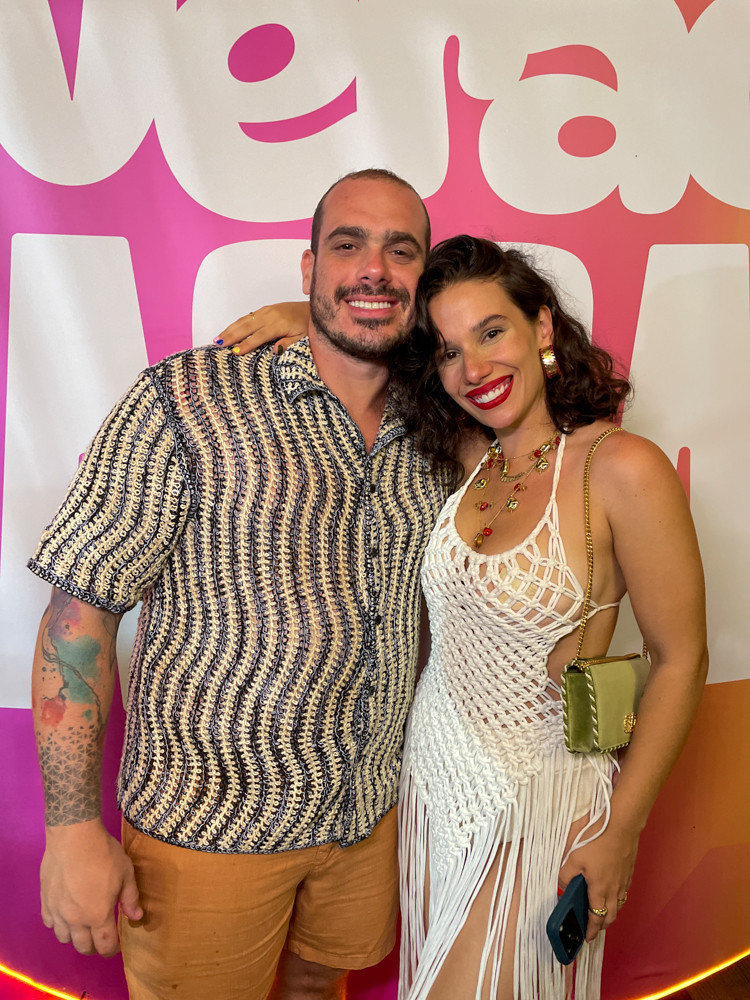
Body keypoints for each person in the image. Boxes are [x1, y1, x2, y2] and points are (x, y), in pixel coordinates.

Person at [28, 169, 463, 1000]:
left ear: (425, 279)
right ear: (309, 268)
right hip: (206, 831)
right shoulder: (188, 399)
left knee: (318, 990)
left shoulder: (440, 420)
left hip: (363, 817)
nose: (374, 268)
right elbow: (79, 610)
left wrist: (332, 321)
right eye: (348, 246)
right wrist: (73, 828)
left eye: (400, 251)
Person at [386, 235, 708, 1000]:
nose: (473, 369)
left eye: (491, 332)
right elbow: (365, 356)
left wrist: (620, 830)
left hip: (541, 794)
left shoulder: (621, 468)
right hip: (433, 782)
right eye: (448, 351)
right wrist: (299, 316)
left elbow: (682, 659)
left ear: (541, 327)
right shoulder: (469, 456)